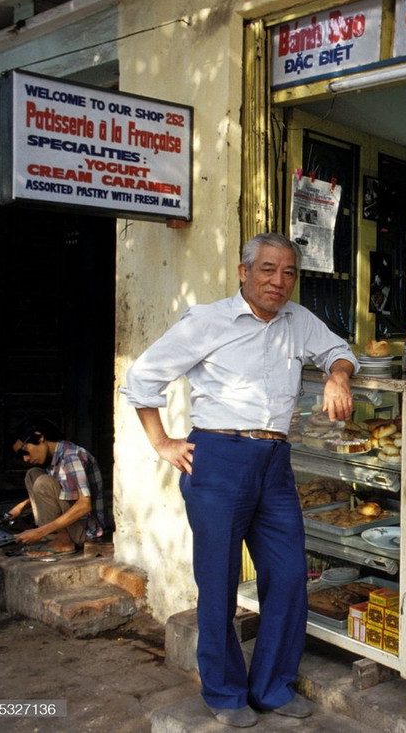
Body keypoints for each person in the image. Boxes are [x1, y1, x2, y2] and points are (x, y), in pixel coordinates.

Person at [121, 233, 357, 728]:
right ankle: (225, 692)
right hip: (219, 459)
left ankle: (272, 687)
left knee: (288, 577)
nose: (278, 281)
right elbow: (142, 380)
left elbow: (339, 349)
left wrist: (338, 374)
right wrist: (162, 443)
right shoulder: (207, 320)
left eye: (288, 272)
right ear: (243, 272)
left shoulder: (298, 321)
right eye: (267, 270)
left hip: (275, 462)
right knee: (219, 583)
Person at [6, 417, 107, 557]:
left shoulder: (71, 457)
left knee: (43, 482)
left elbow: (85, 505)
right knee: (33, 474)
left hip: (87, 532)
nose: (25, 459)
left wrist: (39, 532)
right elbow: (60, 491)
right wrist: (21, 507)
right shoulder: (56, 457)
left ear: (39, 437)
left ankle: (64, 542)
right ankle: (55, 536)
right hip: (73, 525)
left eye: (24, 452)